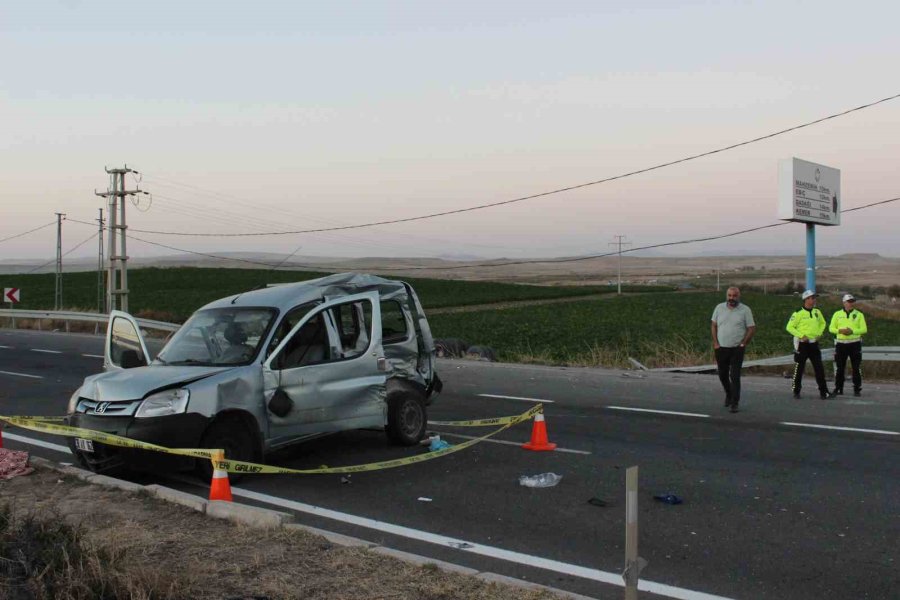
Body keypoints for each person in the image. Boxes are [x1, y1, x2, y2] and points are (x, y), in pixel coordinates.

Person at [711, 286, 756, 413]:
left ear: (738, 296)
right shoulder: (719, 308)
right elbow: (713, 325)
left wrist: (743, 343)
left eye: (734, 296)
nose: (732, 298)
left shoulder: (745, 310)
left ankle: (735, 403)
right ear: (727, 296)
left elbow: (751, 328)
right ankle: (728, 394)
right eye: (729, 296)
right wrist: (715, 343)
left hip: (737, 349)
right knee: (722, 375)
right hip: (721, 348)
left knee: (735, 376)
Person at [786, 290, 834, 400]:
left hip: (814, 344)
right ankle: (796, 390)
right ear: (806, 299)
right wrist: (801, 335)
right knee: (799, 368)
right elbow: (789, 327)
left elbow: (823, 323)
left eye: (814, 298)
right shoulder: (798, 313)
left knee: (819, 368)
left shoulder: (817, 312)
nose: (814, 300)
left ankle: (824, 392)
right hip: (802, 345)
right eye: (812, 298)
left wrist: (819, 334)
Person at [829, 293, 867, 396]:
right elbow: (831, 328)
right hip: (841, 344)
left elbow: (864, 329)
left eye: (852, 302)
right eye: (849, 302)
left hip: (855, 344)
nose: (851, 304)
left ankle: (857, 389)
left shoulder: (859, 314)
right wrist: (840, 331)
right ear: (844, 302)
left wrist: (852, 331)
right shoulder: (837, 314)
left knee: (856, 367)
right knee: (840, 367)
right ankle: (838, 388)